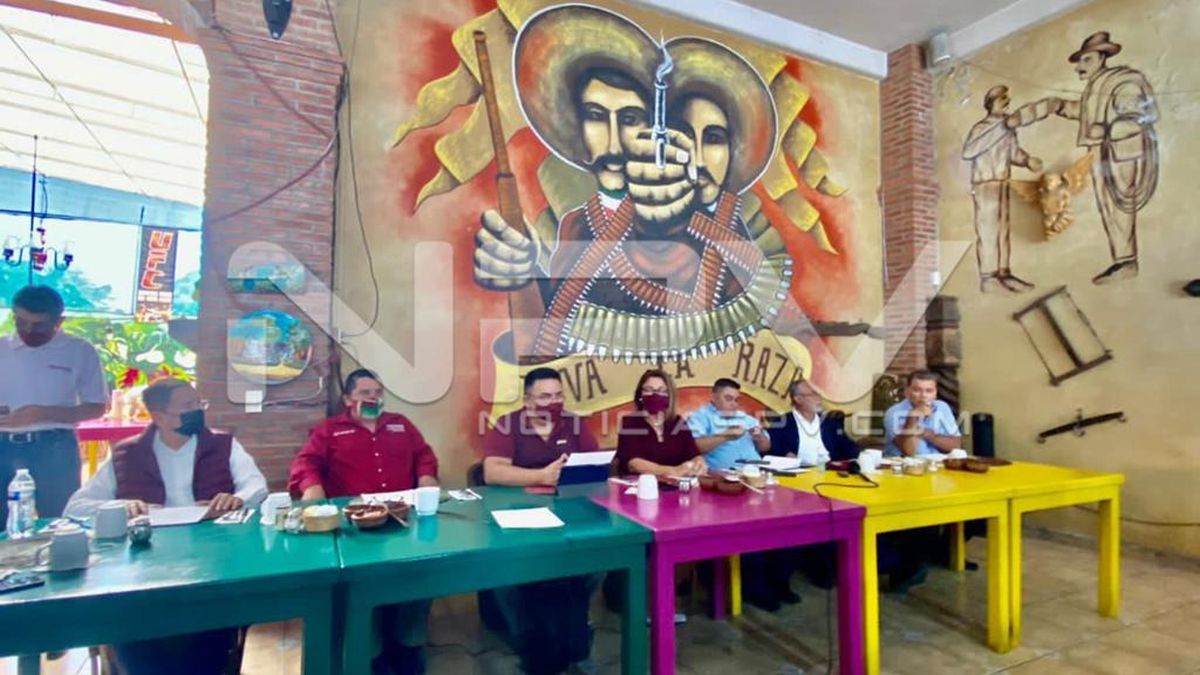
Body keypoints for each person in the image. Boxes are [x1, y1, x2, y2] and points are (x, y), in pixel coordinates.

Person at [64, 378, 267, 675]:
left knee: (210, 625)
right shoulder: (127, 453)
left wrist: (236, 498)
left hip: (211, 556)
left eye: (199, 404)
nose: (198, 411)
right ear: (159, 416)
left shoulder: (222, 445)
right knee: (136, 625)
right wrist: (120, 506)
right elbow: (77, 506)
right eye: (188, 406)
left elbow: (256, 486)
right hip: (144, 561)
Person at [288, 369, 438, 675]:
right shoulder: (329, 430)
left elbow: (424, 455)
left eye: (378, 393)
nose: (374, 398)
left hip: (402, 520)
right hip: (355, 525)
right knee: (361, 587)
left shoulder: (401, 424)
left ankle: (408, 646)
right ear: (348, 399)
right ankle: (371, 653)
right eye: (365, 393)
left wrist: (427, 478)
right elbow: (305, 463)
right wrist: (312, 490)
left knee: (421, 575)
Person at [481, 367, 601, 675]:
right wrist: (541, 476)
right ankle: (528, 638)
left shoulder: (574, 424)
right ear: (527, 400)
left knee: (597, 560)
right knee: (517, 571)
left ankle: (575, 629)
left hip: (570, 513)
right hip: (520, 516)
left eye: (558, 395)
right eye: (545, 396)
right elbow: (492, 471)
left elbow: (595, 464)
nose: (554, 402)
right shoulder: (509, 425)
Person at [1051, 31, 1158, 284]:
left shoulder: (1123, 82)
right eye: (1080, 61)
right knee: (1108, 206)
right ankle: (1122, 260)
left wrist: (1108, 130)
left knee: (1120, 207)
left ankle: (1127, 262)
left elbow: (1138, 119)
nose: (1080, 66)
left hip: (1122, 152)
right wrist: (1059, 106)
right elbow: (1090, 113)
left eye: (1086, 59)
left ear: (1102, 57)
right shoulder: (1098, 85)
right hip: (1102, 151)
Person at [0, 285, 107, 525]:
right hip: (2, 443)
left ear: (59, 321)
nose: (28, 331)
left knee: (60, 521)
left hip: (54, 446)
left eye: (38, 326)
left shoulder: (79, 350)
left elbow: (97, 407)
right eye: (21, 322)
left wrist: (42, 414)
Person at [962, 84, 1044, 293]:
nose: (1007, 103)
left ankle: (1004, 273)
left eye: (1007, 99)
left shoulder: (1007, 128)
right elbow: (969, 151)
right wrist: (1001, 127)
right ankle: (989, 277)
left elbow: (1013, 153)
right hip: (985, 183)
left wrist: (1027, 160)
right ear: (991, 104)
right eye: (1002, 99)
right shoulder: (982, 128)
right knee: (988, 229)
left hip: (1002, 182)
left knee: (1002, 230)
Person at [615, 369, 705, 477]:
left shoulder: (678, 422)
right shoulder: (630, 423)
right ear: (640, 395)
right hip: (641, 484)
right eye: (649, 389)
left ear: (669, 396)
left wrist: (699, 463)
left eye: (661, 390)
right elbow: (633, 463)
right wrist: (671, 471)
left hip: (676, 485)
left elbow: (693, 454)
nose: (655, 395)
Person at [765, 379, 861, 465]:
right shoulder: (782, 422)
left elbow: (848, 446)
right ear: (798, 399)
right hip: (800, 473)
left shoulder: (829, 422)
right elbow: (771, 447)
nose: (818, 398)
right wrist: (786, 454)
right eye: (813, 394)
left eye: (819, 394)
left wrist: (861, 456)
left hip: (830, 471)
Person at [687, 378, 769, 471]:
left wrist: (760, 437)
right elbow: (694, 448)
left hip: (757, 471)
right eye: (728, 399)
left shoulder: (746, 418)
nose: (734, 404)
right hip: (722, 475)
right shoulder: (700, 417)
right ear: (714, 398)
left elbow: (765, 447)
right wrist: (725, 436)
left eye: (736, 400)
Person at [884, 370, 962, 458]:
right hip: (903, 464)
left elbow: (956, 445)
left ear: (935, 393)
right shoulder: (894, 412)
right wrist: (912, 417)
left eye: (929, 391)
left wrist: (927, 434)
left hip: (937, 463)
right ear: (907, 392)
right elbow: (909, 452)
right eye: (917, 390)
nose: (923, 395)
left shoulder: (942, 407)